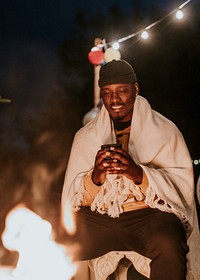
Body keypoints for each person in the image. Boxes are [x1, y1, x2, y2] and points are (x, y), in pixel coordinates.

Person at [61, 59, 200, 279]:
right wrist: (95, 178)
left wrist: (138, 174)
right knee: (61, 236)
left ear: (136, 90)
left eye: (122, 91)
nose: (114, 99)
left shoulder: (165, 131)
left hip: (149, 217)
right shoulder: (86, 137)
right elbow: (73, 201)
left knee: (169, 240)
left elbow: (179, 190)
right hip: (101, 217)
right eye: (107, 92)